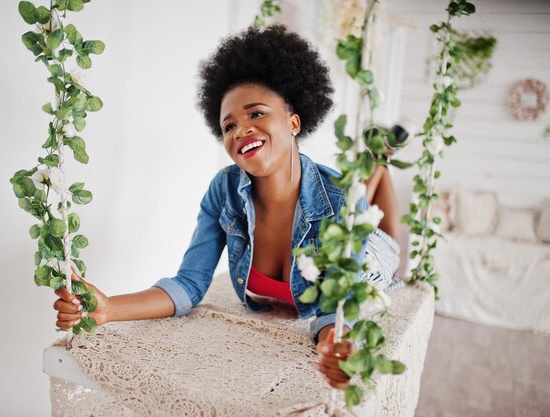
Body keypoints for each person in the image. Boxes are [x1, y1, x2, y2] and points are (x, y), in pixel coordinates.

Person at [52, 25, 403, 391]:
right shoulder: (224, 191)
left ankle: (378, 162)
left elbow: (336, 309)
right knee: (355, 189)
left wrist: (337, 344)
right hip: (340, 198)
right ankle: (375, 162)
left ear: (293, 122)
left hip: (370, 261)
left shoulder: (342, 199)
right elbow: (189, 284)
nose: (241, 130)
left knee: (385, 238)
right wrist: (108, 309)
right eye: (229, 125)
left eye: (256, 114)